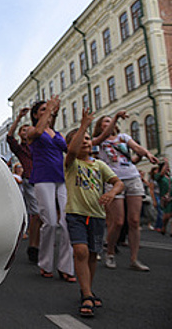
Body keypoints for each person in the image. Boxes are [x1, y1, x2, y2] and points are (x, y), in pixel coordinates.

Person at [64, 109, 124, 317]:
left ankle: (86, 288)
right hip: (76, 214)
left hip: (97, 216)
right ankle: (88, 295)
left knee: (91, 254)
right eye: (81, 139)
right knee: (80, 251)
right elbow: (71, 152)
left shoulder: (99, 165)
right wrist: (83, 125)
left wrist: (112, 193)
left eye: (88, 139)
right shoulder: (71, 164)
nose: (86, 142)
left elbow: (118, 183)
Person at [92, 110, 158, 271]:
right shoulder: (98, 141)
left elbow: (136, 148)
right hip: (114, 180)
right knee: (118, 222)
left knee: (134, 221)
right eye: (105, 122)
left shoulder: (123, 138)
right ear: (101, 127)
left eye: (110, 121)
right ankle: (110, 253)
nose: (109, 124)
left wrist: (148, 154)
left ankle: (134, 259)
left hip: (133, 177)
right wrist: (115, 117)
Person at [27, 96, 75, 281]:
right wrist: (50, 109)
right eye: (43, 109)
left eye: (49, 109)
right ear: (35, 114)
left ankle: (66, 266)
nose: (49, 111)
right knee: (51, 222)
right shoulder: (32, 130)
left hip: (61, 179)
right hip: (43, 179)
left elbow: (68, 151)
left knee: (67, 222)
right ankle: (45, 263)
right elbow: (38, 131)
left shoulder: (58, 133)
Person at [7, 107, 41, 264]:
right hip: (30, 180)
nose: (26, 132)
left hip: (45, 179)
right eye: (23, 130)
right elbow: (9, 136)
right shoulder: (20, 148)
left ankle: (38, 241)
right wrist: (19, 117)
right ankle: (34, 245)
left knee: (45, 214)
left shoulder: (39, 143)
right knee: (37, 213)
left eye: (29, 129)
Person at [154, 158, 172, 236]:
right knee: (167, 215)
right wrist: (165, 163)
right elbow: (161, 173)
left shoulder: (170, 176)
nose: (168, 168)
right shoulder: (158, 176)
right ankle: (164, 226)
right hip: (165, 198)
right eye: (166, 167)